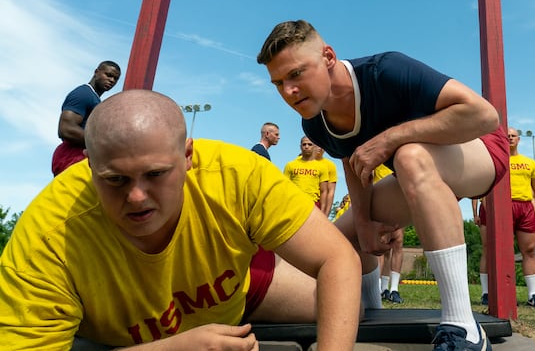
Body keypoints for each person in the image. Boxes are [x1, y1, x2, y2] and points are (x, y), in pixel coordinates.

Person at [0, 90, 361, 350]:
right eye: (116, 179)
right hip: (117, 334)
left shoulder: (237, 174)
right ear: (90, 166)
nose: (136, 196)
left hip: (234, 290)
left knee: (348, 307)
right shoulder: (49, 234)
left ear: (188, 155)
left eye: (155, 174)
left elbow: (336, 259)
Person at [258, 20, 508, 351]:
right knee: (338, 238)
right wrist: (363, 223)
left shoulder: (385, 70)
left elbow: (484, 116)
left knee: (409, 155)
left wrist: (390, 139)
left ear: (328, 57)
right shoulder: (313, 122)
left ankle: (463, 325)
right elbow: (353, 163)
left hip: (479, 149)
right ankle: (371, 312)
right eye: (279, 82)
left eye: (296, 74)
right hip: (418, 172)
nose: (288, 90)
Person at [476, 128, 535, 308]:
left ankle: (532, 295)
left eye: (513, 136)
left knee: (529, 251)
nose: (510, 138)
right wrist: (482, 207)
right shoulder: (493, 159)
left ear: (519, 139)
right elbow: (482, 184)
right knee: (489, 249)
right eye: (507, 136)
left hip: (524, 207)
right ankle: (486, 293)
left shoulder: (529, 163)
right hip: (498, 205)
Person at [52, 60, 121, 175]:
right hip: (72, 158)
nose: (112, 80)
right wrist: (103, 143)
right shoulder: (83, 94)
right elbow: (66, 129)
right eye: (108, 75)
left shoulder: (95, 99)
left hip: (84, 159)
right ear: (96, 72)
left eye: (115, 78)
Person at [374, 164, 405, 304]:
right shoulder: (377, 157)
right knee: (382, 246)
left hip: (399, 201)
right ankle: (379, 287)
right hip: (381, 201)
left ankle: (393, 289)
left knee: (397, 243)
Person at [284, 136, 330, 208]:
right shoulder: (290, 165)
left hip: (313, 204)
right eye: (304, 144)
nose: (306, 146)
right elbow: (285, 187)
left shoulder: (322, 167)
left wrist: (323, 210)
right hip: (294, 203)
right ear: (300, 146)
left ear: (314, 147)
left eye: (309, 144)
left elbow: (324, 191)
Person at [315, 145, 339, 217]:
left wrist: (326, 213)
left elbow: (331, 191)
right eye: (316, 144)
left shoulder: (330, 165)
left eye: (321, 145)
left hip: (317, 204)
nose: (320, 148)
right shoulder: (298, 162)